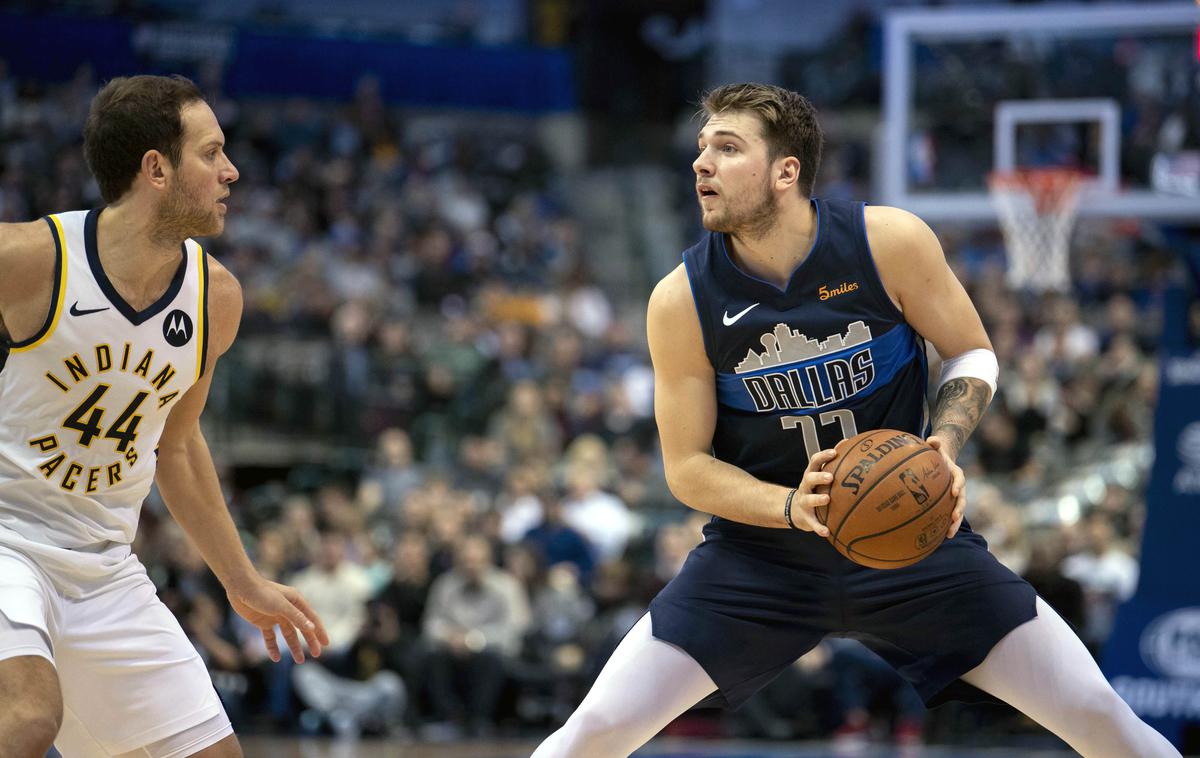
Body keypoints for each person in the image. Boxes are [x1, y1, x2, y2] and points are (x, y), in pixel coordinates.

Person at [532, 82, 1179, 758]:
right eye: (702, 149)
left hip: (915, 545)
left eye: (727, 148)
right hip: (761, 560)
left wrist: (943, 446)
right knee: (591, 735)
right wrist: (792, 505)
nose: (701, 164)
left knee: (1100, 715)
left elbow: (971, 350)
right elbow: (687, 469)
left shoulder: (887, 243)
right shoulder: (680, 300)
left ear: (786, 172)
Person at [0, 75, 330, 758]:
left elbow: (174, 449)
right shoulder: (31, 260)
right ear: (156, 169)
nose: (231, 171)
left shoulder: (215, 299)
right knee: (27, 717)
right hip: (7, 541)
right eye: (211, 154)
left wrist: (243, 581)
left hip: (104, 570)